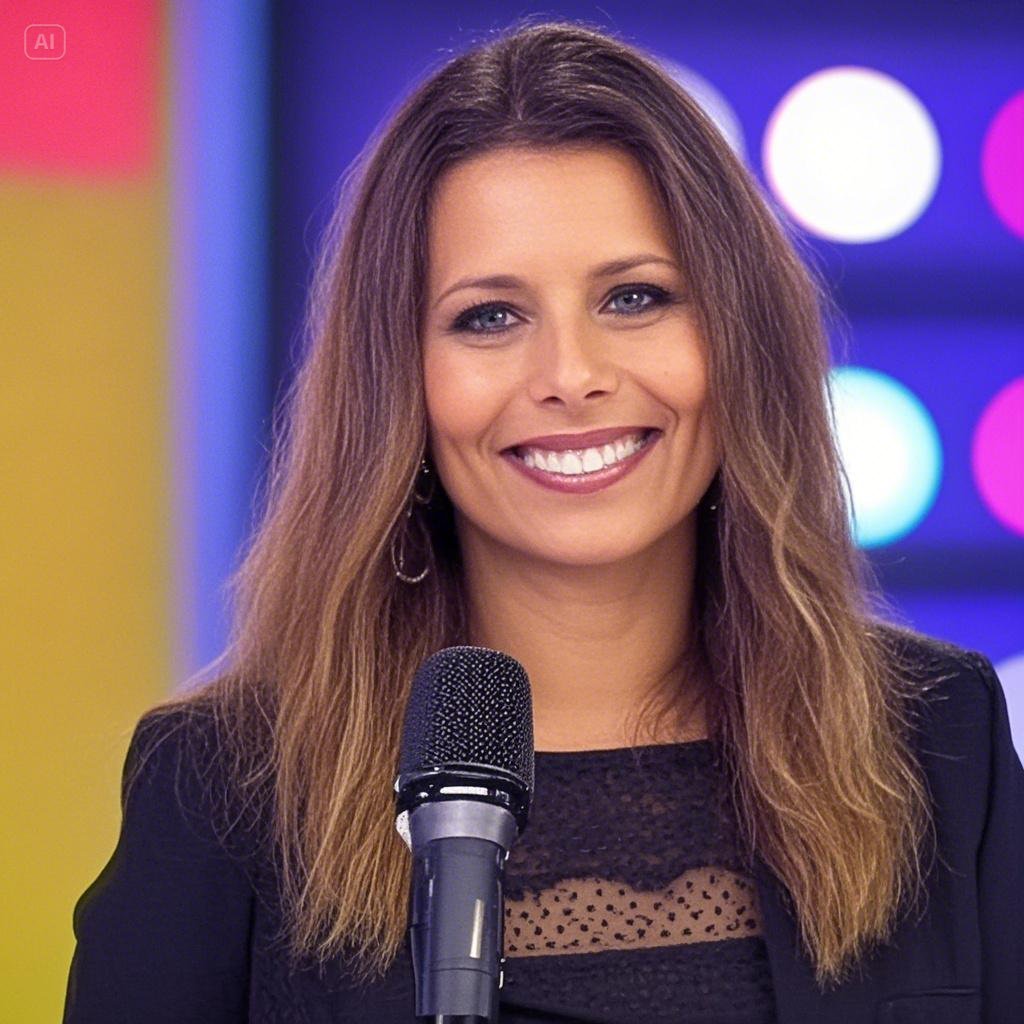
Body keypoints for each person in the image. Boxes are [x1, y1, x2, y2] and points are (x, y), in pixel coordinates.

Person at [62, 17, 1023, 1024]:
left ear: (739, 339)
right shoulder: (222, 789)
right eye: (490, 316)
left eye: (635, 298)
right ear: (400, 383)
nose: (570, 375)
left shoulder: (936, 738)